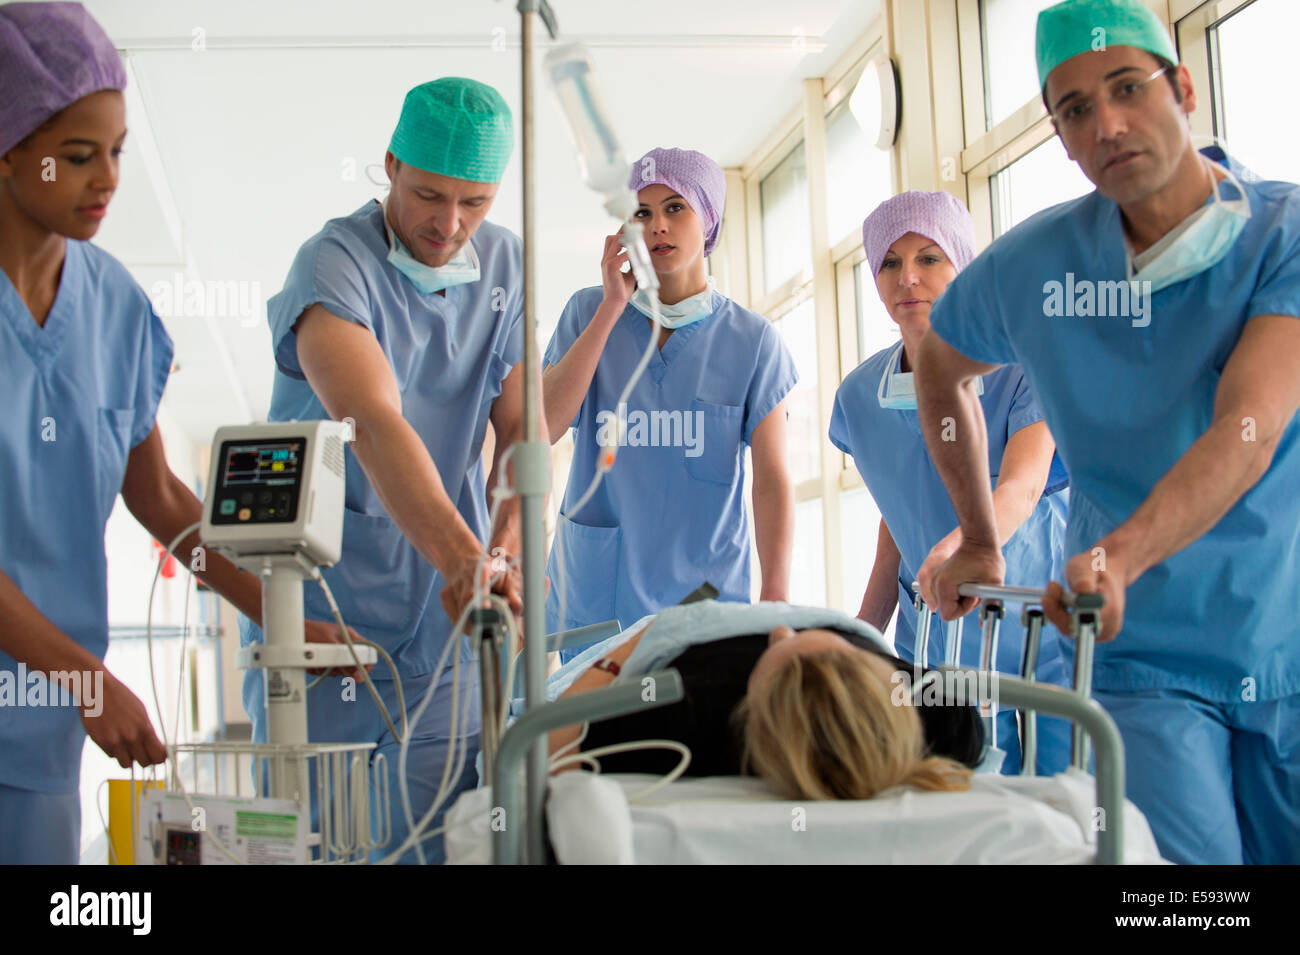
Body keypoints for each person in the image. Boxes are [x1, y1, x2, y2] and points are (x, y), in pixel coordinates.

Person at [915, 0, 1300, 864]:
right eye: (1076, 108)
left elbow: (1252, 422)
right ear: (1059, 135)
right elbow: (940, 366)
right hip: (1140, 652)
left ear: (1185, 87)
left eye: (1128, 87)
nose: (1108, 124)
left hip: (1286, 629)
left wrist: (1122, 551)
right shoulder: (1034, 267)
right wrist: (979, 536)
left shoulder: (1284, 233)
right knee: (1185, 906)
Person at [0, 1, 362, 864]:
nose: (108, 180)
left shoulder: (115, 308)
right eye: (78, 156)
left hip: (41, 734)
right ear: (10, 148)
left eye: (117, 152)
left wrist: (278, 618)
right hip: (65, 684)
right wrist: (83, 678)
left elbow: (158, 496)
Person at [241, 76, 531, 864]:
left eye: (475, 201)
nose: (449, 224)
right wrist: (465, 558)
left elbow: (521, 432)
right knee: (322, 838)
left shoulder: (506, 265)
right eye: (430, 195)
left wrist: (502, 546)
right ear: (390, 165)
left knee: (448, 836)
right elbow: (370, 420)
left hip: (447, 624)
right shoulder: (333, 265)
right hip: (331, 598)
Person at [829, 191, 1073, 775]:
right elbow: (898, 513)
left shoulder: (1018, 363)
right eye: (889, 262)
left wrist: (966, 546)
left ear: (963, 266)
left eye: (929, 257)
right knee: (959, 790)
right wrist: (864, 628)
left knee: (1060, 794)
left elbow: (1025, 482)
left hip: (1038, 614)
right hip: (937, 626)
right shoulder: (860, 396)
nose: (907, 276)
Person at [543, 148, 796, 656]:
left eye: (676, 207)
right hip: (598, 602)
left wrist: (776, 598)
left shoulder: (753, 341)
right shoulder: (588, 312)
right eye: (642, 212)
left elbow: (772, 481)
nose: (657, 224)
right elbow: (541, 427)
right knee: (600, 735)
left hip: (708, 603)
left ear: (709, 222)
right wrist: (613, 306)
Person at [544, 603, 982, 800]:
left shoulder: (686, 718)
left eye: (775, 650)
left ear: (753, 715)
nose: (780, 629)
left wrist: (628, 650)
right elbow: (967, 703)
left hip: (679, 634)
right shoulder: (943, 719)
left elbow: (549, 742)